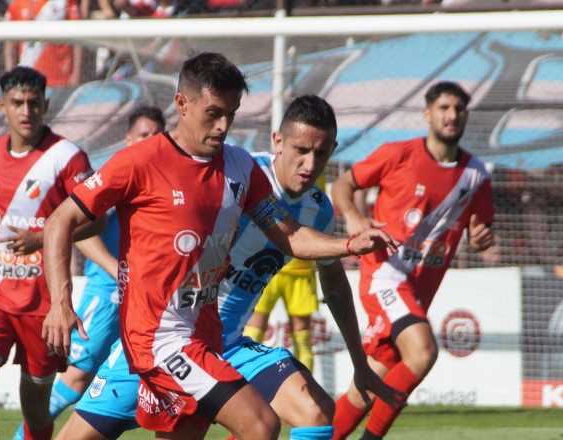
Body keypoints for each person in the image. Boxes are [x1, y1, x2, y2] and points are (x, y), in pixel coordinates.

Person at [41, 53, 394, 440]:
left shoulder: (241, 169)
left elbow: (289, 235)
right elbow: (61, 220)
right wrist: (61, 302)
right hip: (156, 339)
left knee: (307, 412)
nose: (224, 126)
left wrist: (348, 243)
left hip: (212, 340)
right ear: (182, 104)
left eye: (232, 113)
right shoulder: (139, 162)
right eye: (213, 113)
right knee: (260, 424)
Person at [329, 81, 495, 439]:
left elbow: (480, 232)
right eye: (444, 108)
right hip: (384, 274)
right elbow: (343, 184)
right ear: (427, 113)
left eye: (459, 109)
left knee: (367, 388)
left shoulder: (476, 175)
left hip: (417, 290)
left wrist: (483, 238)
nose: (452, 115)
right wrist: (354, 217)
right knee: (422, 351)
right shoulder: (397, 154)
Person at [0, 66, 95, 440]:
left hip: (45, 302)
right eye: (17, 103)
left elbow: (96, 221)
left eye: (33, 103)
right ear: (2, 107)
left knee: (36, 405)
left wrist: (42, 238)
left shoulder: (67, 157)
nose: (26, 111)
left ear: (46, 105)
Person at [10, 105, 167, 440]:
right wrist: (117, 270)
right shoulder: (118, 177)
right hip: (108, 297)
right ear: (128, 138)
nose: (150, 140)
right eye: (143, 134)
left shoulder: (163, 180)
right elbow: (82, 230)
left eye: (156, 135)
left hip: (145, 303)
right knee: (76, 378)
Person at [242, 175, 327, 372]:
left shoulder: (308, 172)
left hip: (293, 268)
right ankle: (249, 383)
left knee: (298, 338)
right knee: (259, 331)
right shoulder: (271, 172)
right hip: (274, 266)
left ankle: (304, 388)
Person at [3, 0, 87, 87]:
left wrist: (76, 73)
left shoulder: (64, 2)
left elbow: (78, 40)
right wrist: (11, 77)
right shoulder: (18, 3)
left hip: (60, 79)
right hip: (28, 80)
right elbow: (10, 46)